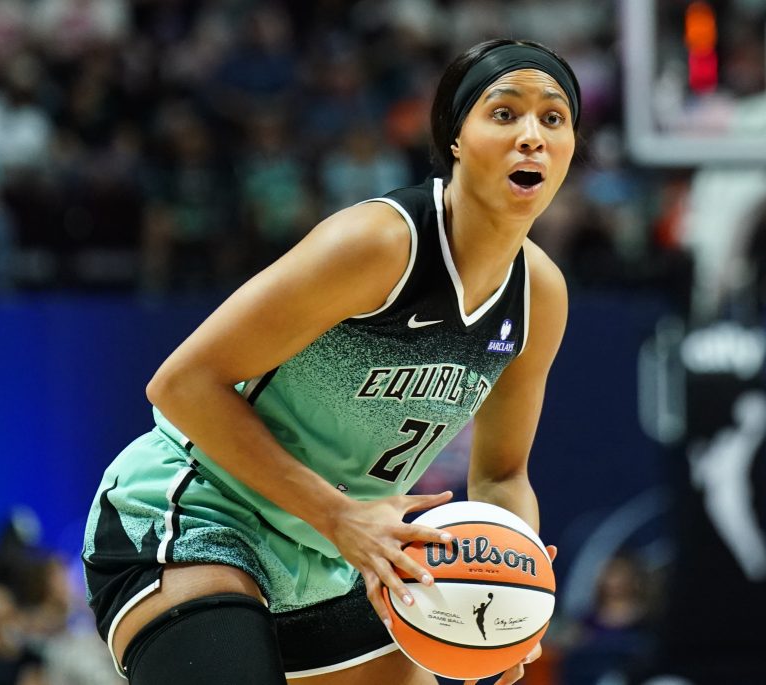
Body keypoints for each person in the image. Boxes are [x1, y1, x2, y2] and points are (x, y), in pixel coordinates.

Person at [81, 38, 580, 685]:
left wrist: (514, 595)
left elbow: (503, 473)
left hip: (342, 551)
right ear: (455, 137)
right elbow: (180, 384)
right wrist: (339, 515)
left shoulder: (539, 294)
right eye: (504, 113)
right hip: (201, 506)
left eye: (553, 118)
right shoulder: (379, 244)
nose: (532, 136)